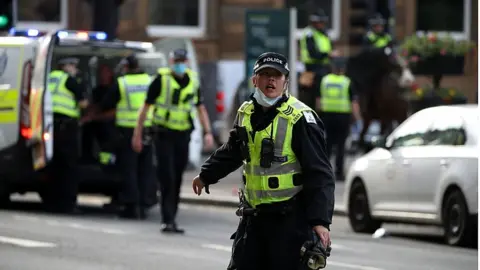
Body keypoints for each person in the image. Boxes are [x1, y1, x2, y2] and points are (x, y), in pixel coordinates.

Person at [192, 52, 335, 269]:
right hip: (254, 218)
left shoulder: (301, 118)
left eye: (277, 76)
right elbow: (233, 151)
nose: (271, 80)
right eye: (265, 74)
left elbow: (320, 173)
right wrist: (206, 175)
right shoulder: (246, 112)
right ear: (254, 80)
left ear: (285, 82)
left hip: (289, 220)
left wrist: (320, 221)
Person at [133, 49, 214, 233]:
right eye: (177, 60)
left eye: (182, 60)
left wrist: (208, 132)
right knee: (167, 177)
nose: (180, 64)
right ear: (171, 61)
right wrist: (137, 134)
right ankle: (167, 219)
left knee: (177, 177)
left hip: (183, 135)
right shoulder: (161, 80)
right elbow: (144, 109)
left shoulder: (192, 81)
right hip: (163, 134)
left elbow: (201, 108)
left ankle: (172, 218)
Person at [97, 55, 155, 219]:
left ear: (126, 67)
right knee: (145, 168)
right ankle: (144, 204)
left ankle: (131, 206)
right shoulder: (150, 80)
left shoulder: (122, 83)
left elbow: (106, 103)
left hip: (127, 131)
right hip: (148, 129)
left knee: (129, 169)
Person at [45, 57, 88, 214]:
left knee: (53, 166)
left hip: (49, 126)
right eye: (73, 66)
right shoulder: (69, 80)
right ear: (66, 66)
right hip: (67, 128)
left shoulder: (48, 77)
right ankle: (68, 203)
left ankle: (51, 202)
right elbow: (83, 103)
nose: (74, 68)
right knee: (69, 167)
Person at [315, 57, 361, 180]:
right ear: (343, 69)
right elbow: (354, 103)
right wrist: (357, 118)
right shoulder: (347, 81)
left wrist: (318, 115)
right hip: (343, 117)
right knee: (341, 146)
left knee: (327, 144)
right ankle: (339, 173)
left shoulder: (325, 80)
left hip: (327, 116)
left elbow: (318, 100)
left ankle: (323, 171)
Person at [299, 9, 339, 109]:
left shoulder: (324, 34)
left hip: (325, 66)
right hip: (312, 68)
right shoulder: (309, 34)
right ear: (314, 23)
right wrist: (328, 54)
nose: (322, 24)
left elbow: (331, 48)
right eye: (320, 22)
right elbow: (313, 54)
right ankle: (319, 108)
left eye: (323, 22)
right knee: (319, 87)